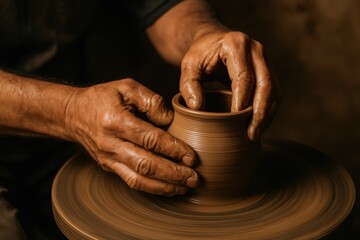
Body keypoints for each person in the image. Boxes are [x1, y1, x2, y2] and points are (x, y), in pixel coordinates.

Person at [0, 0, 281, 238]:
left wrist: (204, 34)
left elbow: (164, 6)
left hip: (60, 141)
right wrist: (68, 110)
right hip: (57, 125)